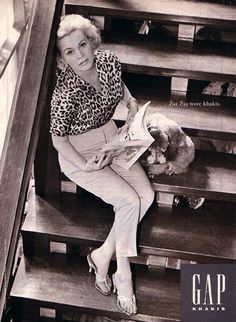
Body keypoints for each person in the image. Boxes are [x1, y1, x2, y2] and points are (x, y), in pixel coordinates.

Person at [50, 14, 154, 315]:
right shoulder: (65, 94)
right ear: (62, 59)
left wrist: (131, 103)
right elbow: (59, 141)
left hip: (113, 137)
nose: (80, 55)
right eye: (70, 52)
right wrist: (85, 167)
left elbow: (118, 86)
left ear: (92, 42)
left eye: (83, 45)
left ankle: (102, 253)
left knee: (145, 196)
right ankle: (123, 272)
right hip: (80, 153)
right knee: (128, 200)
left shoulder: (107, 61)